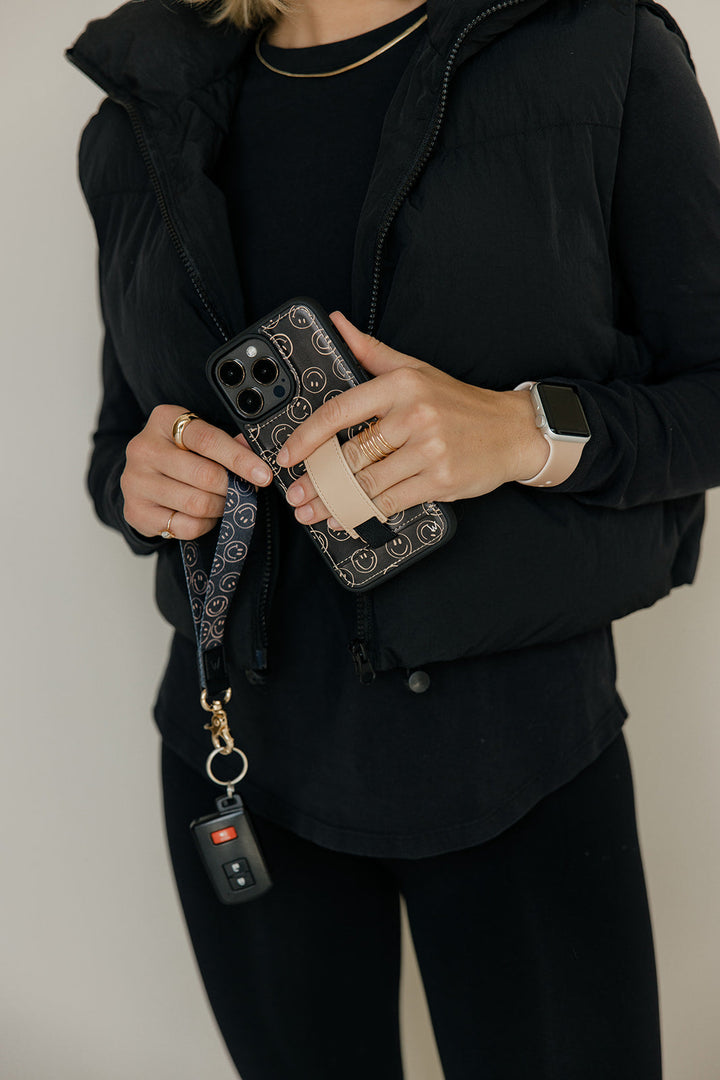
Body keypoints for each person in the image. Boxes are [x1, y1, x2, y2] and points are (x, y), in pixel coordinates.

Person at [67, 0, 720, 1075]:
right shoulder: (144, 108)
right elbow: (117, 443)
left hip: (523, 766)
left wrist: (524, 431)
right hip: (236, 763)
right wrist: (144, 481)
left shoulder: (600, 49)